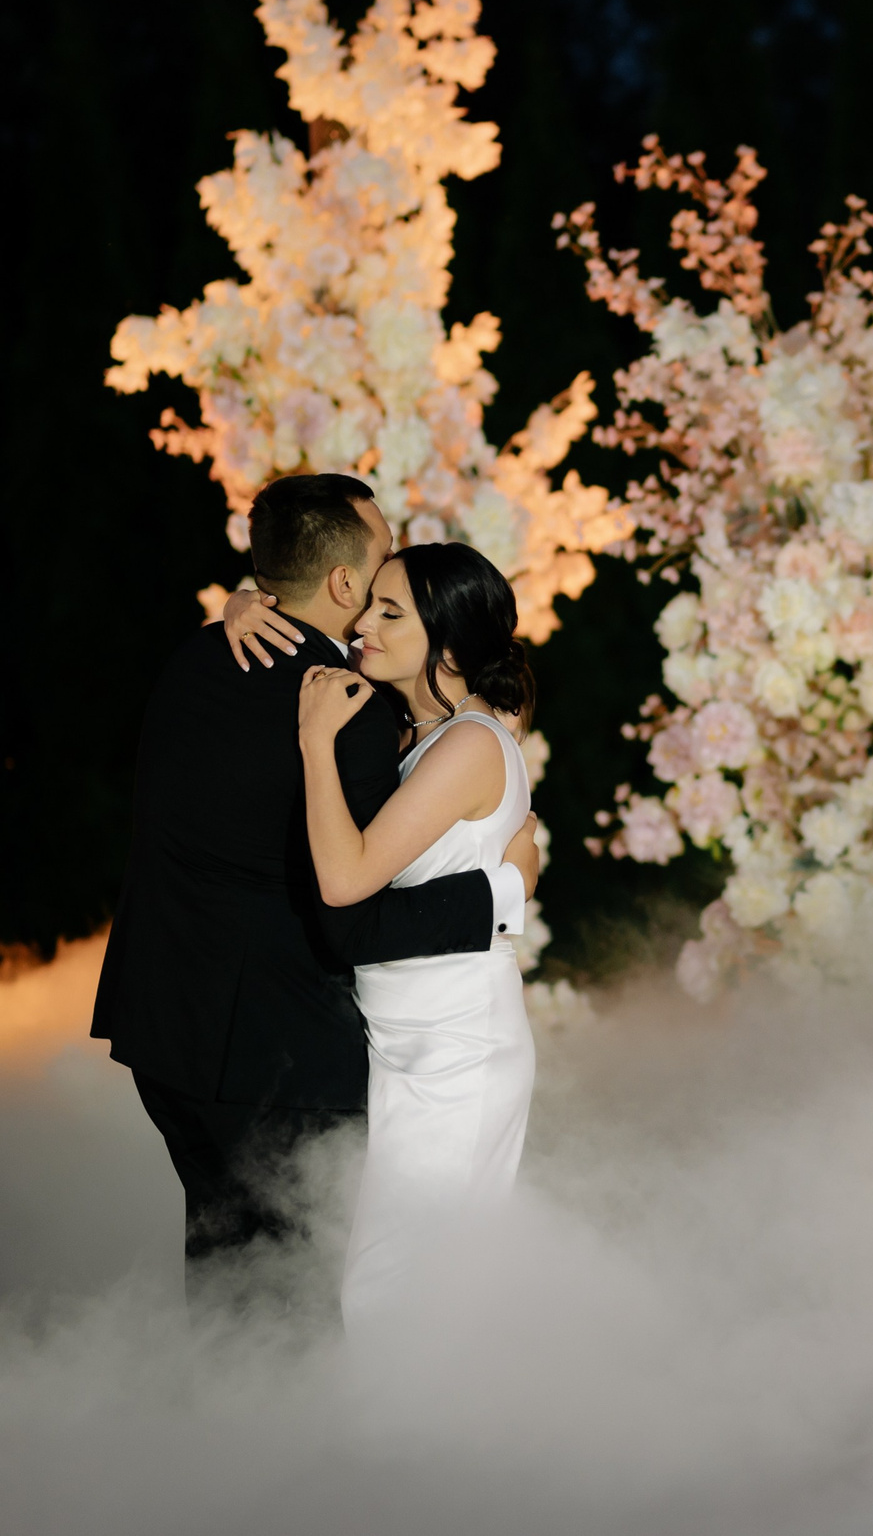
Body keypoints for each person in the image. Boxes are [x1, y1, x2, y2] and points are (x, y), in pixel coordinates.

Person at [91, 475, 539, 1307]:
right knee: (286, 1295)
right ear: (342, 582)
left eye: (393, 604)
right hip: (272, 1048)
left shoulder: (199, 653)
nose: (372, 605)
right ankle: (281, 1436)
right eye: (374, 580)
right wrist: (503, 894)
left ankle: (235, 1431)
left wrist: (241, 600)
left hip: (165, 1028)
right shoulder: (355, 714)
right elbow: (353, 921)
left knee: (244, 1276)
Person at [294, 542, 539, 1332]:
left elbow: (345, 877)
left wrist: (313, 742)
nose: (364, 622)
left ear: (453, 646)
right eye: (369, 603)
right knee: (403, 1284)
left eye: (390, 612)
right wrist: (242, 603)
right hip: (408, 1041)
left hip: (456, 1051)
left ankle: (423, 1451)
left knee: (400, 1291)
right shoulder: (425, 735)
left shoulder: (468, 743)